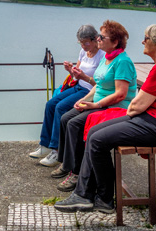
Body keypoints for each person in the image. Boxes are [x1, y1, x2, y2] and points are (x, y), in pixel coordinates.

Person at [55, 24, 156, 213]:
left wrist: (134, 108)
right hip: (153, 120)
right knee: (93, 131)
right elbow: (141, 103)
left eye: (147, 38)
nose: (143, 41)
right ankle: (85, 194)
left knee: (98, 139)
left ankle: (102, 197)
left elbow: (137, 105)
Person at [53, 20, 137, 192]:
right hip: (100, 103)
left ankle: (76, 173)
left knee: (74, 124)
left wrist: (94, 105)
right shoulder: (107, 58)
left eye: (102, 36)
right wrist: (84, 99)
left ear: (114, 42)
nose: (98, 38)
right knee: (65, 118)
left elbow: (120, 94)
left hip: (114, 108)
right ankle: (68, 165)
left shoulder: (122, 62)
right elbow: (98, 85)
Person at [30, 25, 102, 167]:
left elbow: (100, 84)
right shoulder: (83, 51)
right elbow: (77, 76)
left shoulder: (102, 55)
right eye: (81, 43)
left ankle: (56, 150)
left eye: (86, 42)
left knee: (60, 108)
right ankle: (45, 145)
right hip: (78, 87)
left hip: (89, 91)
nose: (83, 46)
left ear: (95, 39)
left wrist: (84, 77)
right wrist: (71, 70)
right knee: (50, 104)